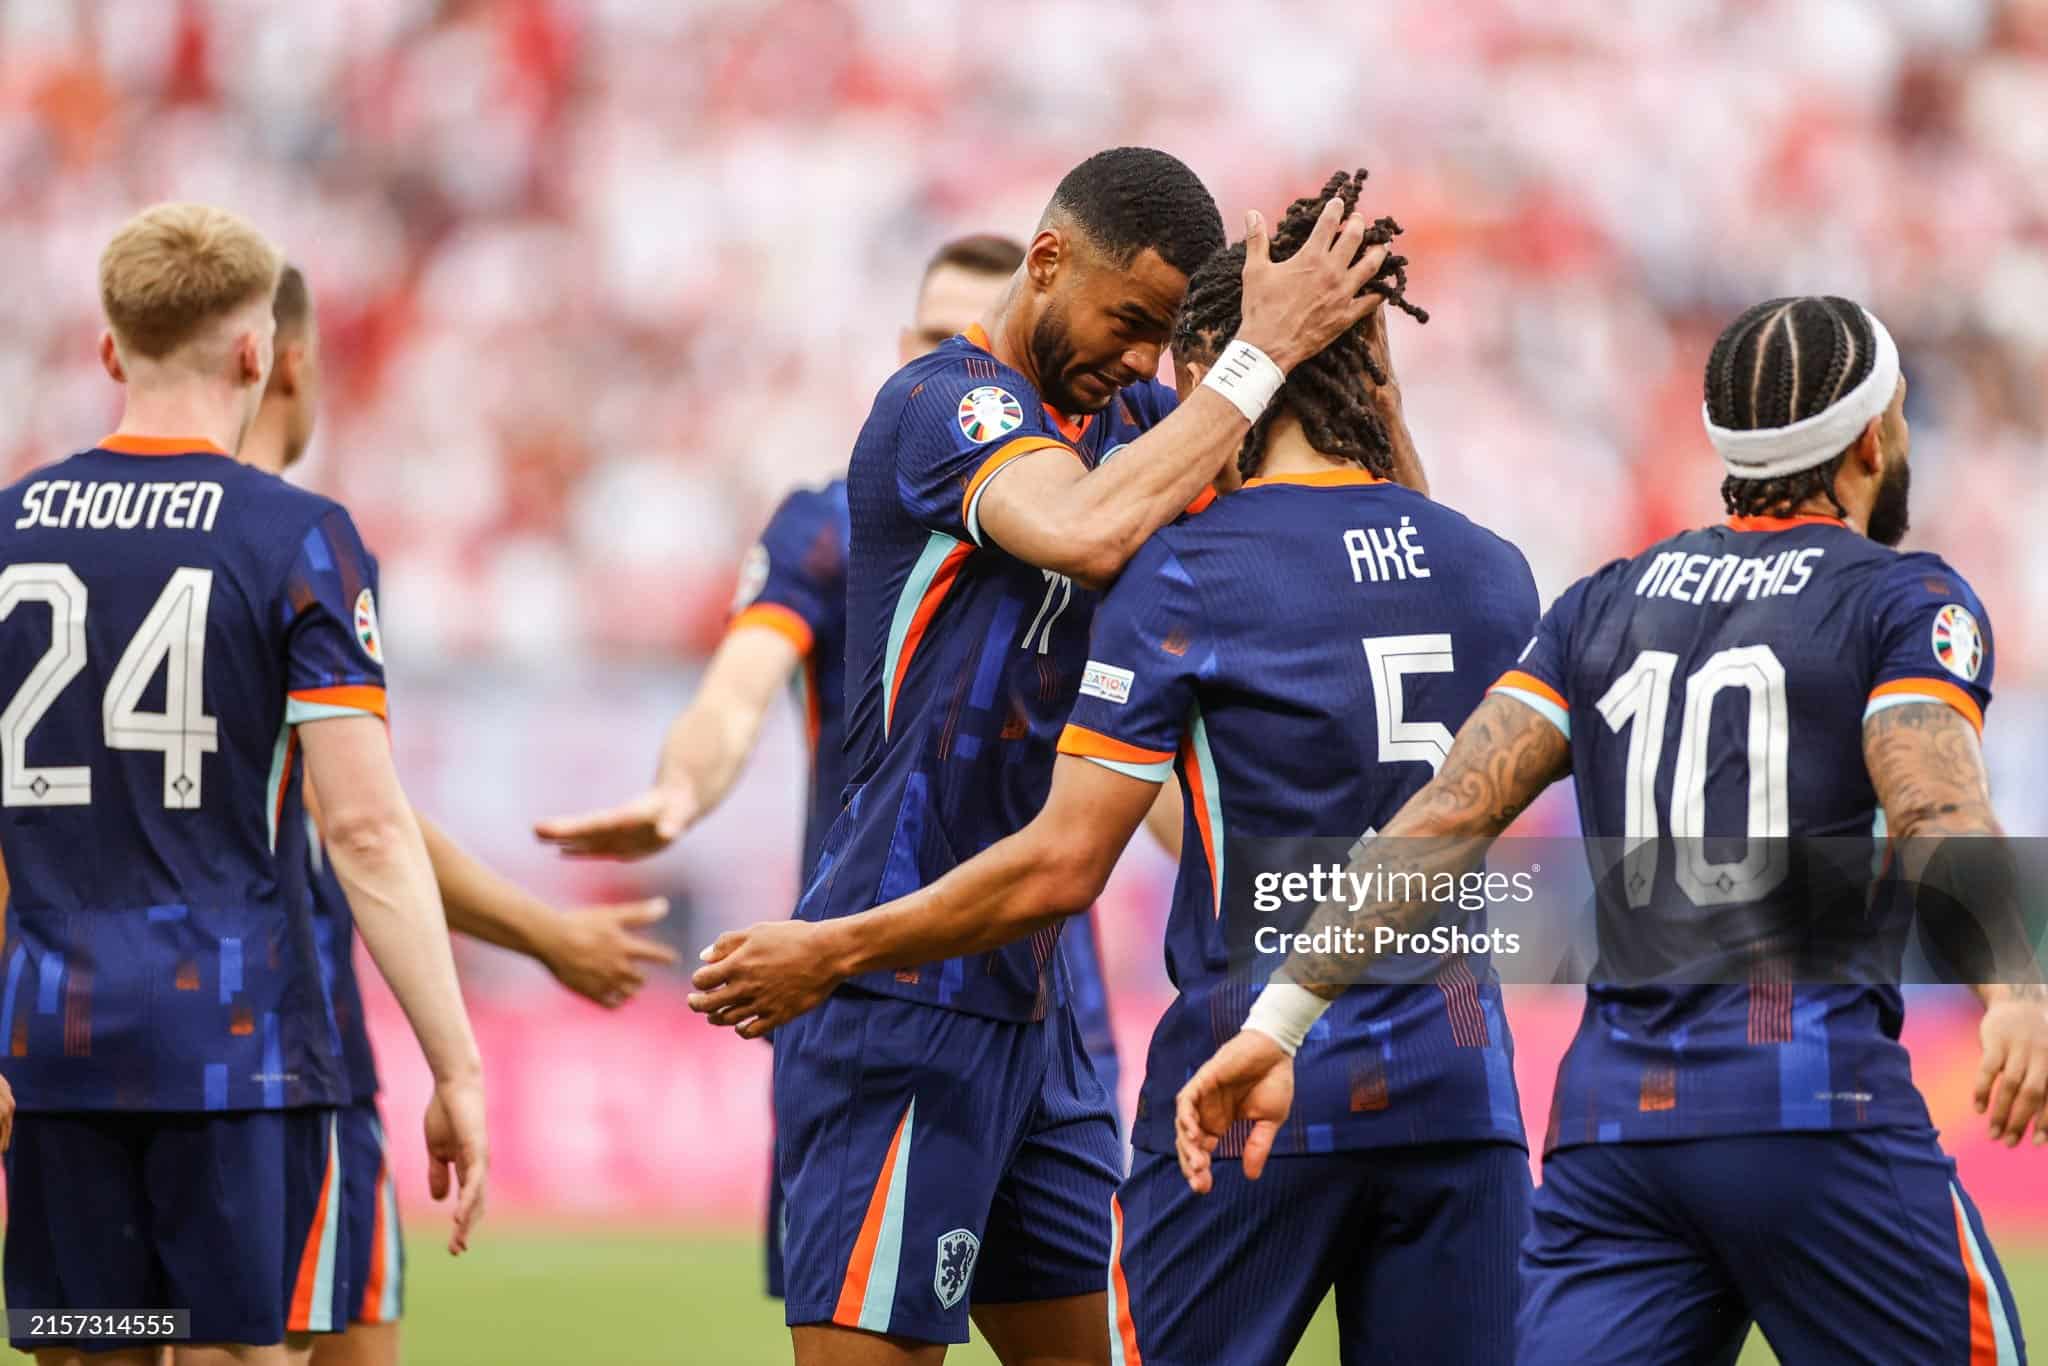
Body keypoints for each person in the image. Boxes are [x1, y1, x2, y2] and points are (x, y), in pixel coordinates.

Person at [688, 169, 1535, 1365]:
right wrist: (1259, 351)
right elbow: (1083, 529)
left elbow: (1358, 551)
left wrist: (1335, 339)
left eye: (1163, 335)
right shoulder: (943, 405)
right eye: (1124, 323)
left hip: (1042, 1000)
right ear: (1044, 265)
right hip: (899, 986)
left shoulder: (1135, 422)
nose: (1140, 360)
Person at [1177, 296, 2044, 1364]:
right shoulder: (1902, 598)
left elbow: (1445, 813)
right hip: (1809, 1107)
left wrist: (1276, 1023)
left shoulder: (1603, 601)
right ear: (1871, 436)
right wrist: (2013, 986)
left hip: (1614, 1135)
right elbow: (1930, 803)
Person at [533, 232, 1143, 1302]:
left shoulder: (1092, 488)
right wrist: (680, 791)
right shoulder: (836, 522)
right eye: (928, 337)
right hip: (881, 968)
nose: (967, 374)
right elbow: (734, 690)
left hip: (1050, 984)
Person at [0, 203, 485, 1365]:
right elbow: (363, 829)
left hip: (54, 1049)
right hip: (232, 1048)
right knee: (231, 1353)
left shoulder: (12, 529)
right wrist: (454, 1064)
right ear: (257, 353)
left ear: (111, 350)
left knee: (88, 1347)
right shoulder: (298, 537)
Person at [242, 263, 677, 1362]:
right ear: (285, 360)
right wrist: (487, 1020)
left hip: (97, 1041)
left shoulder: (66, 537)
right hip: (277, 1050)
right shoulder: (291, 546)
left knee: (110, 1333)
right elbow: (364, 821)